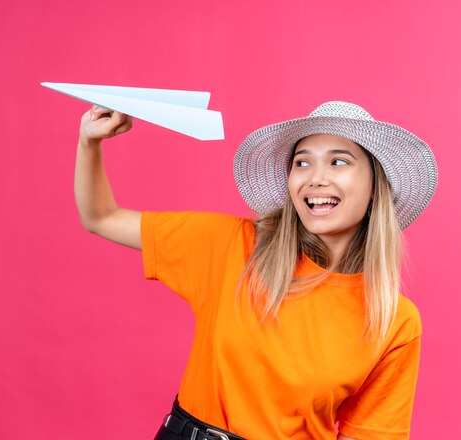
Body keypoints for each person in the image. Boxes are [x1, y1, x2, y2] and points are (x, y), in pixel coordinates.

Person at [74, 101, 438, 439]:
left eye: (339, 162)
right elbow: (101, 217)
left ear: (375, 187)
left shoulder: (394, 321)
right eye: (302, 162)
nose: (315, 178)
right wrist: (89, 141)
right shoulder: (234, 246)